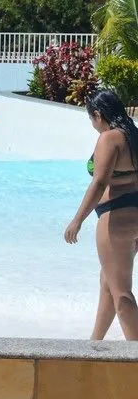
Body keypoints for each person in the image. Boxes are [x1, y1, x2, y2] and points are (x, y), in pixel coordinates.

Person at [65, 89, 138, 340]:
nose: (93, 125)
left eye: (91, 119)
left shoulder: (110, 138)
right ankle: (94, 344)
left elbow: (99, 182)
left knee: (122, 295)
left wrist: (77, 220)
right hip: (134, 213)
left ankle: (134, 355)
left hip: (116, 217)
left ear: (98, 114)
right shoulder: (134, 135)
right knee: (108, 284)